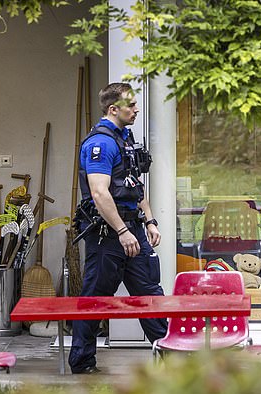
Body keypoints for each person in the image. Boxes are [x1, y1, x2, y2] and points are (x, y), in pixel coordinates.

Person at [68, 82, 168, 374]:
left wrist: (149, 220)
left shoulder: (125, 139)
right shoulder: (100, 144)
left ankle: (169, 356)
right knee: (95, 299)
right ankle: (82, 362)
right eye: (131, 105)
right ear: (113, 109)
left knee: (149, 293)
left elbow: (134, 185)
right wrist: (123, 232)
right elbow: (100, 193)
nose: (137, 109)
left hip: (133, 229)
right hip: (108, 236)